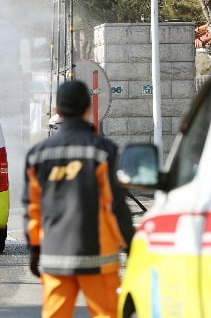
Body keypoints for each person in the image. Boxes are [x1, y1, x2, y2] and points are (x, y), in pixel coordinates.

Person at [23, 80, 135, 318]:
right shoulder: (104, 150)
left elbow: (33, 208)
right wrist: (130, 244)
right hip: (98, 258)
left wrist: (34, 249)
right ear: (87, 108)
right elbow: (116, 206)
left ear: (57, 111)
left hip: (55, 256)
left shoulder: (38, 155)